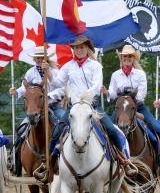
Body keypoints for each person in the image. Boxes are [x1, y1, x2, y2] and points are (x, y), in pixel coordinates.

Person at [34, 36, 137, 182]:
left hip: (93, 105)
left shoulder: (95, 66)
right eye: (76, 48)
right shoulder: (68, 66)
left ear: (87, 49)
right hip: (74, 108)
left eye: (82, 47)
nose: (79, 50)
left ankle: (124, 162)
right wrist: (48, 72)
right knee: (57, 131)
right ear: (73, 50)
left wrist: (85, 97)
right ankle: (48, 164)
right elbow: (57, 83)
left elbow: (96, 86)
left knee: (112, 130)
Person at [101, 44, 160, 164]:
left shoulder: (140, 74)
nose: (127, 58)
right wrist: (107, 93)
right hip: (121, 108)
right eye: (125, 56)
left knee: (156, 128)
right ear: (122, 58)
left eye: (130, 56)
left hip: (138, 107)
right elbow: (113, 93)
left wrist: (132, 100)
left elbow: (142, 93)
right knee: (107, 128)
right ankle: (107, 155)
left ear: (133, 58)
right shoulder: (115, 75)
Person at [9, 46, 66, 119]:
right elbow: (25, 88)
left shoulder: (55, 71)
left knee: (65, 120)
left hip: (54, 107)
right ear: (35, 59)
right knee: (23, 128)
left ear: (46, 58)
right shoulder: (30, 72)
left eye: (42, 57)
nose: (40, 60)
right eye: (38, 58)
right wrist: (16, 91)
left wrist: (49, 96)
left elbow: (61, 89)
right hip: (36, 108)